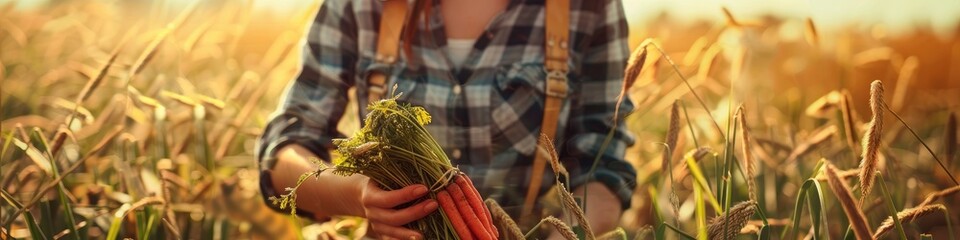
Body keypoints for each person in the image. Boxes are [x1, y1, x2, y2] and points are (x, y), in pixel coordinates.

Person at [257, 0, 637, 239]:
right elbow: (283, 158)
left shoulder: (586, 8)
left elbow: (603, 168)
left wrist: (565, 236)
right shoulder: (358, 7)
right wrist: (358, 195)